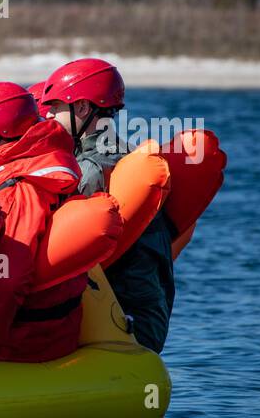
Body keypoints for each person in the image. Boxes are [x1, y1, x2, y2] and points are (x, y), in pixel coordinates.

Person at [40, 57, 175, 351]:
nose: (49, 116)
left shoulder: (93, 168)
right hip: (141, 312)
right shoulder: (117, 151)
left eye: (55, 108)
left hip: (129, 321)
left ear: (83, 108)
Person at [0, 82, 85, 362]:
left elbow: (7, 276)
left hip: (19, 340)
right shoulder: (31, 163)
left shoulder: (18, 190)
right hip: (39, 328)